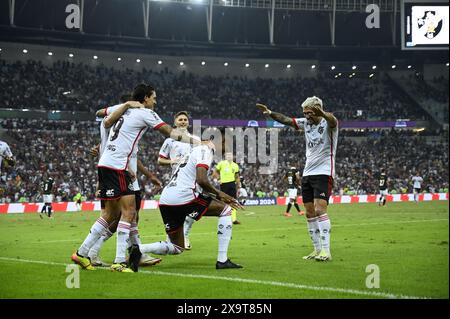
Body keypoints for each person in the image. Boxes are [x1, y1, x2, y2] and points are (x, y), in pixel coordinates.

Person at [71, 83, 202, 272]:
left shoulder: (122, 109)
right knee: (128, 213)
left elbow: (100, 114)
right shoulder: (145, 113)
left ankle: (84, 253)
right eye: (154, 97)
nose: (155, 101)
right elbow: (169, 132)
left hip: (108, 164)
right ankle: (119, 260)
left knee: (112, 215)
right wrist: (198, 141)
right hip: (118, 166)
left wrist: (124, 106)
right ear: (146, 98)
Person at [128, 143, 243, 272]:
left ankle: (138, 249)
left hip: (166, 198)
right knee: (225, 210)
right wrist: (220, 194)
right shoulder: (205, 151)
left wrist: (217, 196)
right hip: (183, 196)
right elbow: (202, 180)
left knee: (177, 247)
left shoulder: (191, 152)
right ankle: (222, 260)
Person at [257, 95, 338, 262]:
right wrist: (270, 112)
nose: (306, 116)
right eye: (305, 113)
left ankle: (326, 250)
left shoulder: (328, 123)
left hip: (324, 172)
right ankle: (316, 249)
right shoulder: (305, 123)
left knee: (320, 210)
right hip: (308, 173)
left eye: (309, 112)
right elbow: (286, 119)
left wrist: (321, 113)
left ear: (317, 110)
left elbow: (333, 120)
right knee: (309, 213)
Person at [86, 95, 163, 267]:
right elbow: (112, 148)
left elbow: (128, 153)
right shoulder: (122, 123)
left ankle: (94, 252)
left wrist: (149, 175)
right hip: (119, 173)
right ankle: (97, 253)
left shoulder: (118, 124)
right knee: (120, 217)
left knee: (125, 217)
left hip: (113, 171)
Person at [158, 111, 196, 250]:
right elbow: (160, 159)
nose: (183, 121)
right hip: (177, 179)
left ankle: (185, 235)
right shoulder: (169, 140)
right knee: (176, 211)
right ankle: (171, 237)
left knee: (193, 210)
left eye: (185, 119)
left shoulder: (194, 139)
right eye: (180, 119)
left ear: (188, 122)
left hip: (192, 179)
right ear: (175, 122)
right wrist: (172, 161)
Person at [213, 152, 241, 225]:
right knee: (224, 201)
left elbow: (237, 177)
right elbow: (215, 172)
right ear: (225, 157)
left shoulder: (235, 165)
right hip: (224, 184)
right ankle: (223, 217)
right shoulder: (221, 163)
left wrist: (238, 186)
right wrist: (218, 179)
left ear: (233, 157)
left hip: (232, 184)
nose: (229, 156)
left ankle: (234, 219)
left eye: (230, 155)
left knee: (233, 201)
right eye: (228, 155)